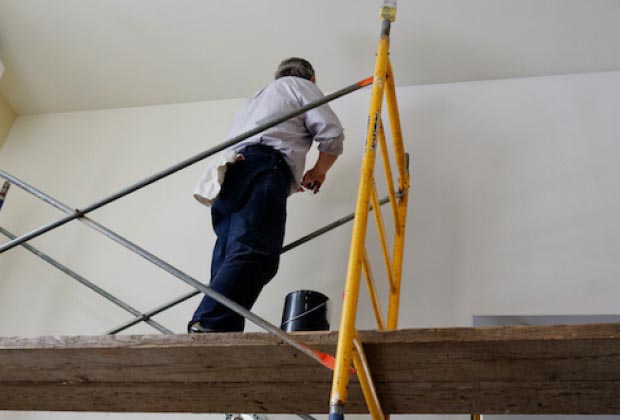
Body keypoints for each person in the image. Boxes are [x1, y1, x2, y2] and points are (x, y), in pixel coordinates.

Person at [188, 57, 344, 333]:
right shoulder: (298, 86)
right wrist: (319, 170)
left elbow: (271, 136)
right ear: (312, 79)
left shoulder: (256, 98)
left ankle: (219, 327)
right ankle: (212, 322)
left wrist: (286, 178)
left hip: (230, 172)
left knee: (228, 255)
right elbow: (331, 133)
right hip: (263, 166)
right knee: (256, 252)